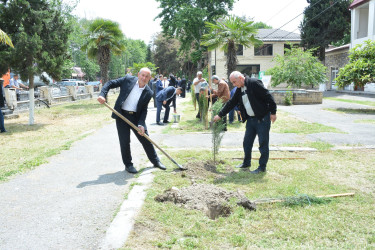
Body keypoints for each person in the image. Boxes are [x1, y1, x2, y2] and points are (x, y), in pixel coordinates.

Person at [97, 67, 166, 174]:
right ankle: (128, 165)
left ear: (150, 78)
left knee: (145, 139)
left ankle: (156, 161)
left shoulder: (148, 92)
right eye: (142, 75)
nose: (144, 78)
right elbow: (110, 83)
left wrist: (141, 124)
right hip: (121, 115)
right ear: (138, 74)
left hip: (136, 118)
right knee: (125, 142)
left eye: (147, 76)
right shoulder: (128, 80)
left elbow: (143, 110)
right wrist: (102, 94)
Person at [213, 71, 277, 174]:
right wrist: (220, 115)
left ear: (241, 78)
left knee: (263, 143)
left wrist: (273, 112)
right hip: (251, 120)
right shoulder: (239, 89)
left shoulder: (254, 83)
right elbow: (231, 102)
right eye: (232, 83)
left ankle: (262, 167)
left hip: (262, 118)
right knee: (247, 142)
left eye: (234, 82)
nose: (234, 85)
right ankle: (246, 163)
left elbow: (268, 96)